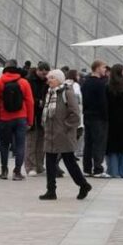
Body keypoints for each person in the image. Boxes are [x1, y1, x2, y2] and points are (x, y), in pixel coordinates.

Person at [38, 69, 92, 200]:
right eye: (49, 77)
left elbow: (75, 114)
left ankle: (83, 184)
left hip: (63, 134)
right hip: (51, 133)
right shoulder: (50, 93)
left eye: (52, 78)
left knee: (69, 161)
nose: (49, 80)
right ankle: (51, 190)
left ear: (59, 80)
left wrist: (64, 127)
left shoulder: (67, 93)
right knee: (50, 161)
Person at [0, 64, 34, 180]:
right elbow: (30, 102)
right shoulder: (24, 82)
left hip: (4, 118)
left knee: (4, 145)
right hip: (21, 117)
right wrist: (30, 120)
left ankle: (4, 171)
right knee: (20, 145)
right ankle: (17, 172)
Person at [81, 60, 110, 178]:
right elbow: (103, 102)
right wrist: (106, 117)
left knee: (88, 143)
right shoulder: (100, 84)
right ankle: (98, 169)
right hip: (99, 117)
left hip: (88, 115)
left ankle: (87, 169)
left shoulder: (86, 82)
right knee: (99, 143)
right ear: (97, 68)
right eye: (103, 67)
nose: (105, 70)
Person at [25, 62, 51, 177]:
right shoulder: (29, 81)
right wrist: (38, 101)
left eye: (46, 73)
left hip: (43, 115)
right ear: (38, 70)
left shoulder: (47, 81)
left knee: (41, 141)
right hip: (33, 114)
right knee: (31, 141)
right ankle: (31, 166)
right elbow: (26, 97)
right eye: (42, 72)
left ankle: (39, 165)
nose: (43, 75)